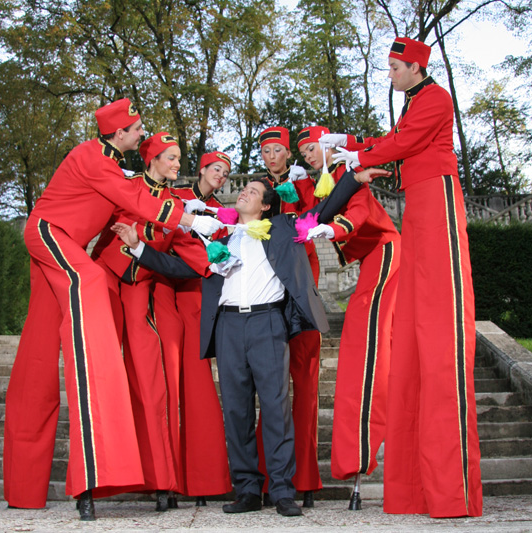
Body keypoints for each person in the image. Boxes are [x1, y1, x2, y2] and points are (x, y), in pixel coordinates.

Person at [112, 167, 391, 517]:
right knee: (236, 410)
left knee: (276, 408)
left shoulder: (283, 228)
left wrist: (353, 180)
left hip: (267, 323)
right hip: (228, 326)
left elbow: (323, 211)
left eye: (254, 192)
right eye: (245, 190)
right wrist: (137, 247)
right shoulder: (219, 236)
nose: (244, 193)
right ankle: (246, 490)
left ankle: (282, 490)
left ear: (265, 206)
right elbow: (181, 268)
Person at [3, 100, 223, 521]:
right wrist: (190, 220)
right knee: (87, 285)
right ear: (120, 134)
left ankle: (24, 487)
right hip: (53, 235)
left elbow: (146, 207)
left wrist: (200, 228)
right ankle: (97, 463)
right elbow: (130, 197)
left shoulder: (121, 172)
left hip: (106, 269)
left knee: (38, 355)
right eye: (138, 129)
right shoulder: (95, 158)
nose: (142, 133)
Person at [322, 36, 483, 518]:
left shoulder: (434, 98)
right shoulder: (416, 101)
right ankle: (417, 488)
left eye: (395, 67)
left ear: (415, 66)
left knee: (439, 317)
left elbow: (404, 143)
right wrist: (349, 144)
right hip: (419, 202)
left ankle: (449, 489)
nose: (390, 74)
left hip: (437, 197)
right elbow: (395, 141)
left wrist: (357, 158)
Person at [91, 132, 216, 512]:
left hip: (139, 290)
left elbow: (190, 255)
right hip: (104, 280)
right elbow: (88, 221)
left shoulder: (176, 205)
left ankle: (161, 480)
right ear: (152, 159)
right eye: (171, 157)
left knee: (151, 380)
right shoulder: (124, 186)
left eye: (179, 158)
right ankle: (96, 478)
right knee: (101, 372)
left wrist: (219, 257)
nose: (178, 164)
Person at [298, 125, 401, 509]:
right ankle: (358, 450)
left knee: (364, 341)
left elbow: (357, 212)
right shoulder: (327, 182)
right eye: (304, 153)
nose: (309, 156)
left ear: (328, 146)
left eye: (313, 148)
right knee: (363, 342)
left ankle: (361, 448)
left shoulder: (348, 175)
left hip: (386, 251)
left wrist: (332, 228)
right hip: (372, 259)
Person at [155, 151, 233, 506]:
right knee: (167, 378)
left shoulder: (221, 213)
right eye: (216, 169)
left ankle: (203, 480)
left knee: (199, 382)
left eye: (226, 172)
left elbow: (220, 257)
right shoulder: (176, 197)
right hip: (162, 286)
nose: (221, 176)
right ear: (202, 169)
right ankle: (165, 478)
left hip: (196, 293)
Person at [257, 126, 322, 507]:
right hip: (267, 285)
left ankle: (307, 478)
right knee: (271, 386)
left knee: (306, 382)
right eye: (266, 151)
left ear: (288, 154)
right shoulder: (257, 188)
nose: (272, 157)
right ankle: (271, 478)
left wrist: (299, 193)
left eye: (277, 150)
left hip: (301, 280)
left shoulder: (305, 183)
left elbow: (317, 221)